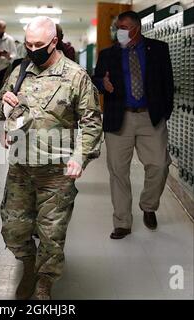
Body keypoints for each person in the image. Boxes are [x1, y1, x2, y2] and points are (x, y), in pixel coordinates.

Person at [0, 16, 102, 300]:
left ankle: (44, 281)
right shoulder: (19, 71)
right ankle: (28, 265)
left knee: (51, 234)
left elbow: (92, 122)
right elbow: (1, 107)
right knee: (13, 229)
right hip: (20, 167)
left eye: (39, 44)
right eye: (28, 44)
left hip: (56, 171)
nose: (33, 49)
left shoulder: (76, 76)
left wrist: (80, 157)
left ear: (54, 41)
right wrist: (5, 111)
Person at [92, 11, 173, 239]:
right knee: (118, 171)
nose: (120, 31)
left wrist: (164, 113)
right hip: (120, 117)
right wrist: (102, 83)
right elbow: (97, 78)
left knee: (159, 164)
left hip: (150, 117)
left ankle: (148, 206)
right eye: (118, 26)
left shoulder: (158, 49)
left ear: (136, 28)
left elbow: (168, 82)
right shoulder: (108, 54)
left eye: (124, 26)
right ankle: (122, 222)